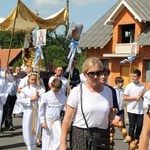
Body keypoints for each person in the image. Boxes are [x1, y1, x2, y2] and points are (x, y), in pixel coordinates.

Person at [60, 57, 120, 150]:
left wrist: (114, 117)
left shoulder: (108, 91)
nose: (96, 76)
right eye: (92, 73)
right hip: (81, 136)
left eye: (98, 73)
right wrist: (63, 143)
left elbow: (110, 113)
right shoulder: (77, 91)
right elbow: (67, 118)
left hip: (102, 135)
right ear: (84, 74)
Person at [18, 72, 45, 150]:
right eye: (32, 80)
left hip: (37, 112)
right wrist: (31, 99)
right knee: (28, 128)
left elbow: (44, 101)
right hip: (28, 112)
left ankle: (35, 142)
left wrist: (39, 97)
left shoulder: (40, 89)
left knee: (37, 128)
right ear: (29, 80)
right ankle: (29, 146)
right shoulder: (25, 89)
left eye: (35, 80)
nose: (33, 81)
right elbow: (21, 100)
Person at [39, 78, 66, 150]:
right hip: (47, 121)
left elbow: (65, 109)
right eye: (54, 89)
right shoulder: (45, 96)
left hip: (57, 121)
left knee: (59, 138)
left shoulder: (63, 97)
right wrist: (42, 122)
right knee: (47, 139)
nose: (56, 91)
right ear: (51, 86)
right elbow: (41, 110)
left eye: (58, 89)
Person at [123, 69, 146, 143]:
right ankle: (130, 139)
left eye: (134, 76)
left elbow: (145, 98)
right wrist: (135, 97)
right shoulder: (129, 86)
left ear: (139, 77)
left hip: (140, 109)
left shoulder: (142, 86)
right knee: (132, 125)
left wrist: (142, 96)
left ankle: (137, 137)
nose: (132, 78)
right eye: (132, 76)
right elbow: (125, 97)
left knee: (140, 125)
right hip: (131, 109)